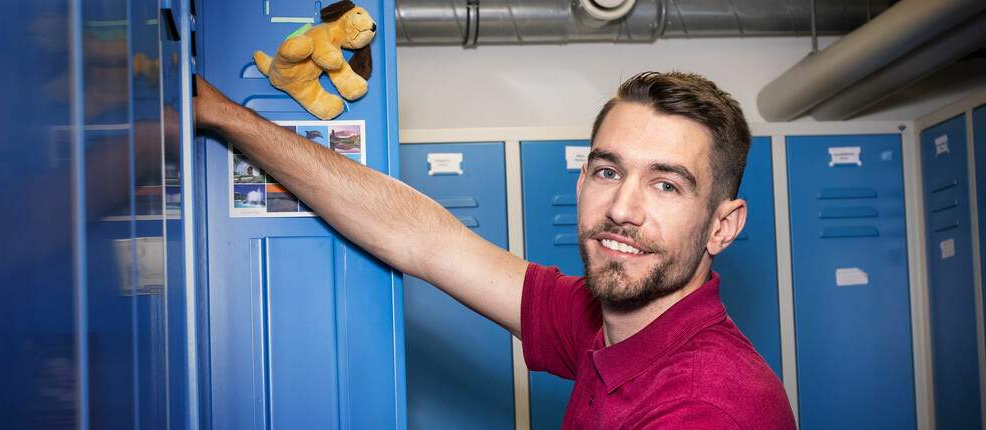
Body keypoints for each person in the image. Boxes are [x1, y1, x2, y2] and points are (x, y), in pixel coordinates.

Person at [193, 71, 796, 429]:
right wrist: (226, 116)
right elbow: (425, 239)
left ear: (723, 225)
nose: (622, 210)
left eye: (666, 185)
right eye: (609, 172)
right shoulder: (601, 321)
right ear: (582, 183)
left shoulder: (707, 408)